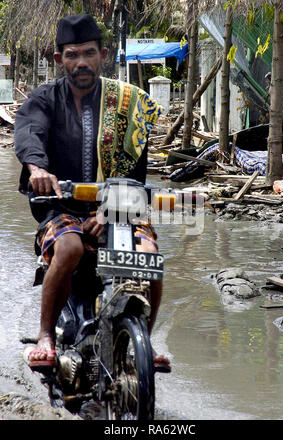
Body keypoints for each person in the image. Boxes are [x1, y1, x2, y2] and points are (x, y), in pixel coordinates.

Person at [15, 14, 170, 373]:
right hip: (61, 207)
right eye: (71, 54)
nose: (81, 62)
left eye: (88, 53)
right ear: (59, 60)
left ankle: (142, 342)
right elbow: (29, 133)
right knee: (68, 248)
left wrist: (111, 212)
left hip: (118, 210)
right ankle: (45, 336)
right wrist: (38, 169)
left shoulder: (129, 104)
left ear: (103, 54)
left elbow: (135, 172)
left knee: (150, 255)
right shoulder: (43, 99)